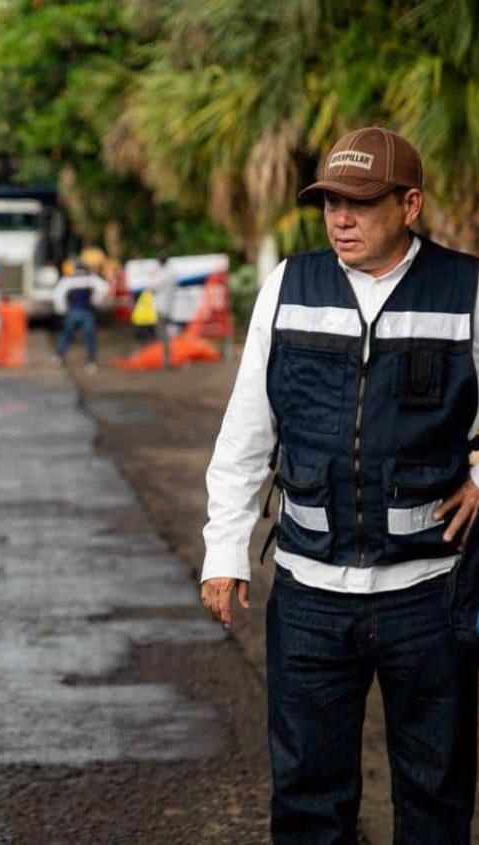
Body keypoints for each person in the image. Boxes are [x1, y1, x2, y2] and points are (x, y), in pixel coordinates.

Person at [202, 126, 479, 842]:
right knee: (306, 797)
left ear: (409, 203)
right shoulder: (289, 285)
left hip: (430, 592)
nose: (339, 219)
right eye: (329, 203)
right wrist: (224, 551)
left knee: (436, 791)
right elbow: (245, 431)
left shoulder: (465, 288)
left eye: (359, 203)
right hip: (308, 593)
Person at [51, 260, 110, 373]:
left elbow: (57, 294)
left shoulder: (68, 279)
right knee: (89, 338)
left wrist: (62, 309)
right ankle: (91, 362)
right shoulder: (90, 278)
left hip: (72, 312)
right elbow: (104, 288)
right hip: (87, 312)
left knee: (67, 336)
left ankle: (58, 357)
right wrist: (96, 300)